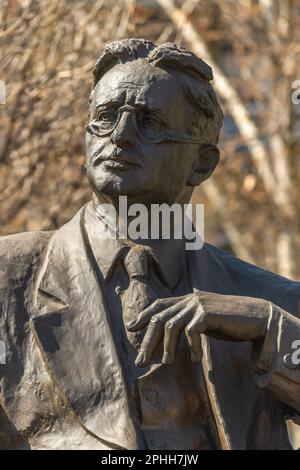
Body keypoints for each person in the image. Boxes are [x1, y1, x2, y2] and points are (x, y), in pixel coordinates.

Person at [0, 38, 299, 450]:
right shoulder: (9, 277)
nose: (120, 136)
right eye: (105, 117)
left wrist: (270, 330)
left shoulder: (271, 304)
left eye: (150, 123)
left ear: (202, 163)